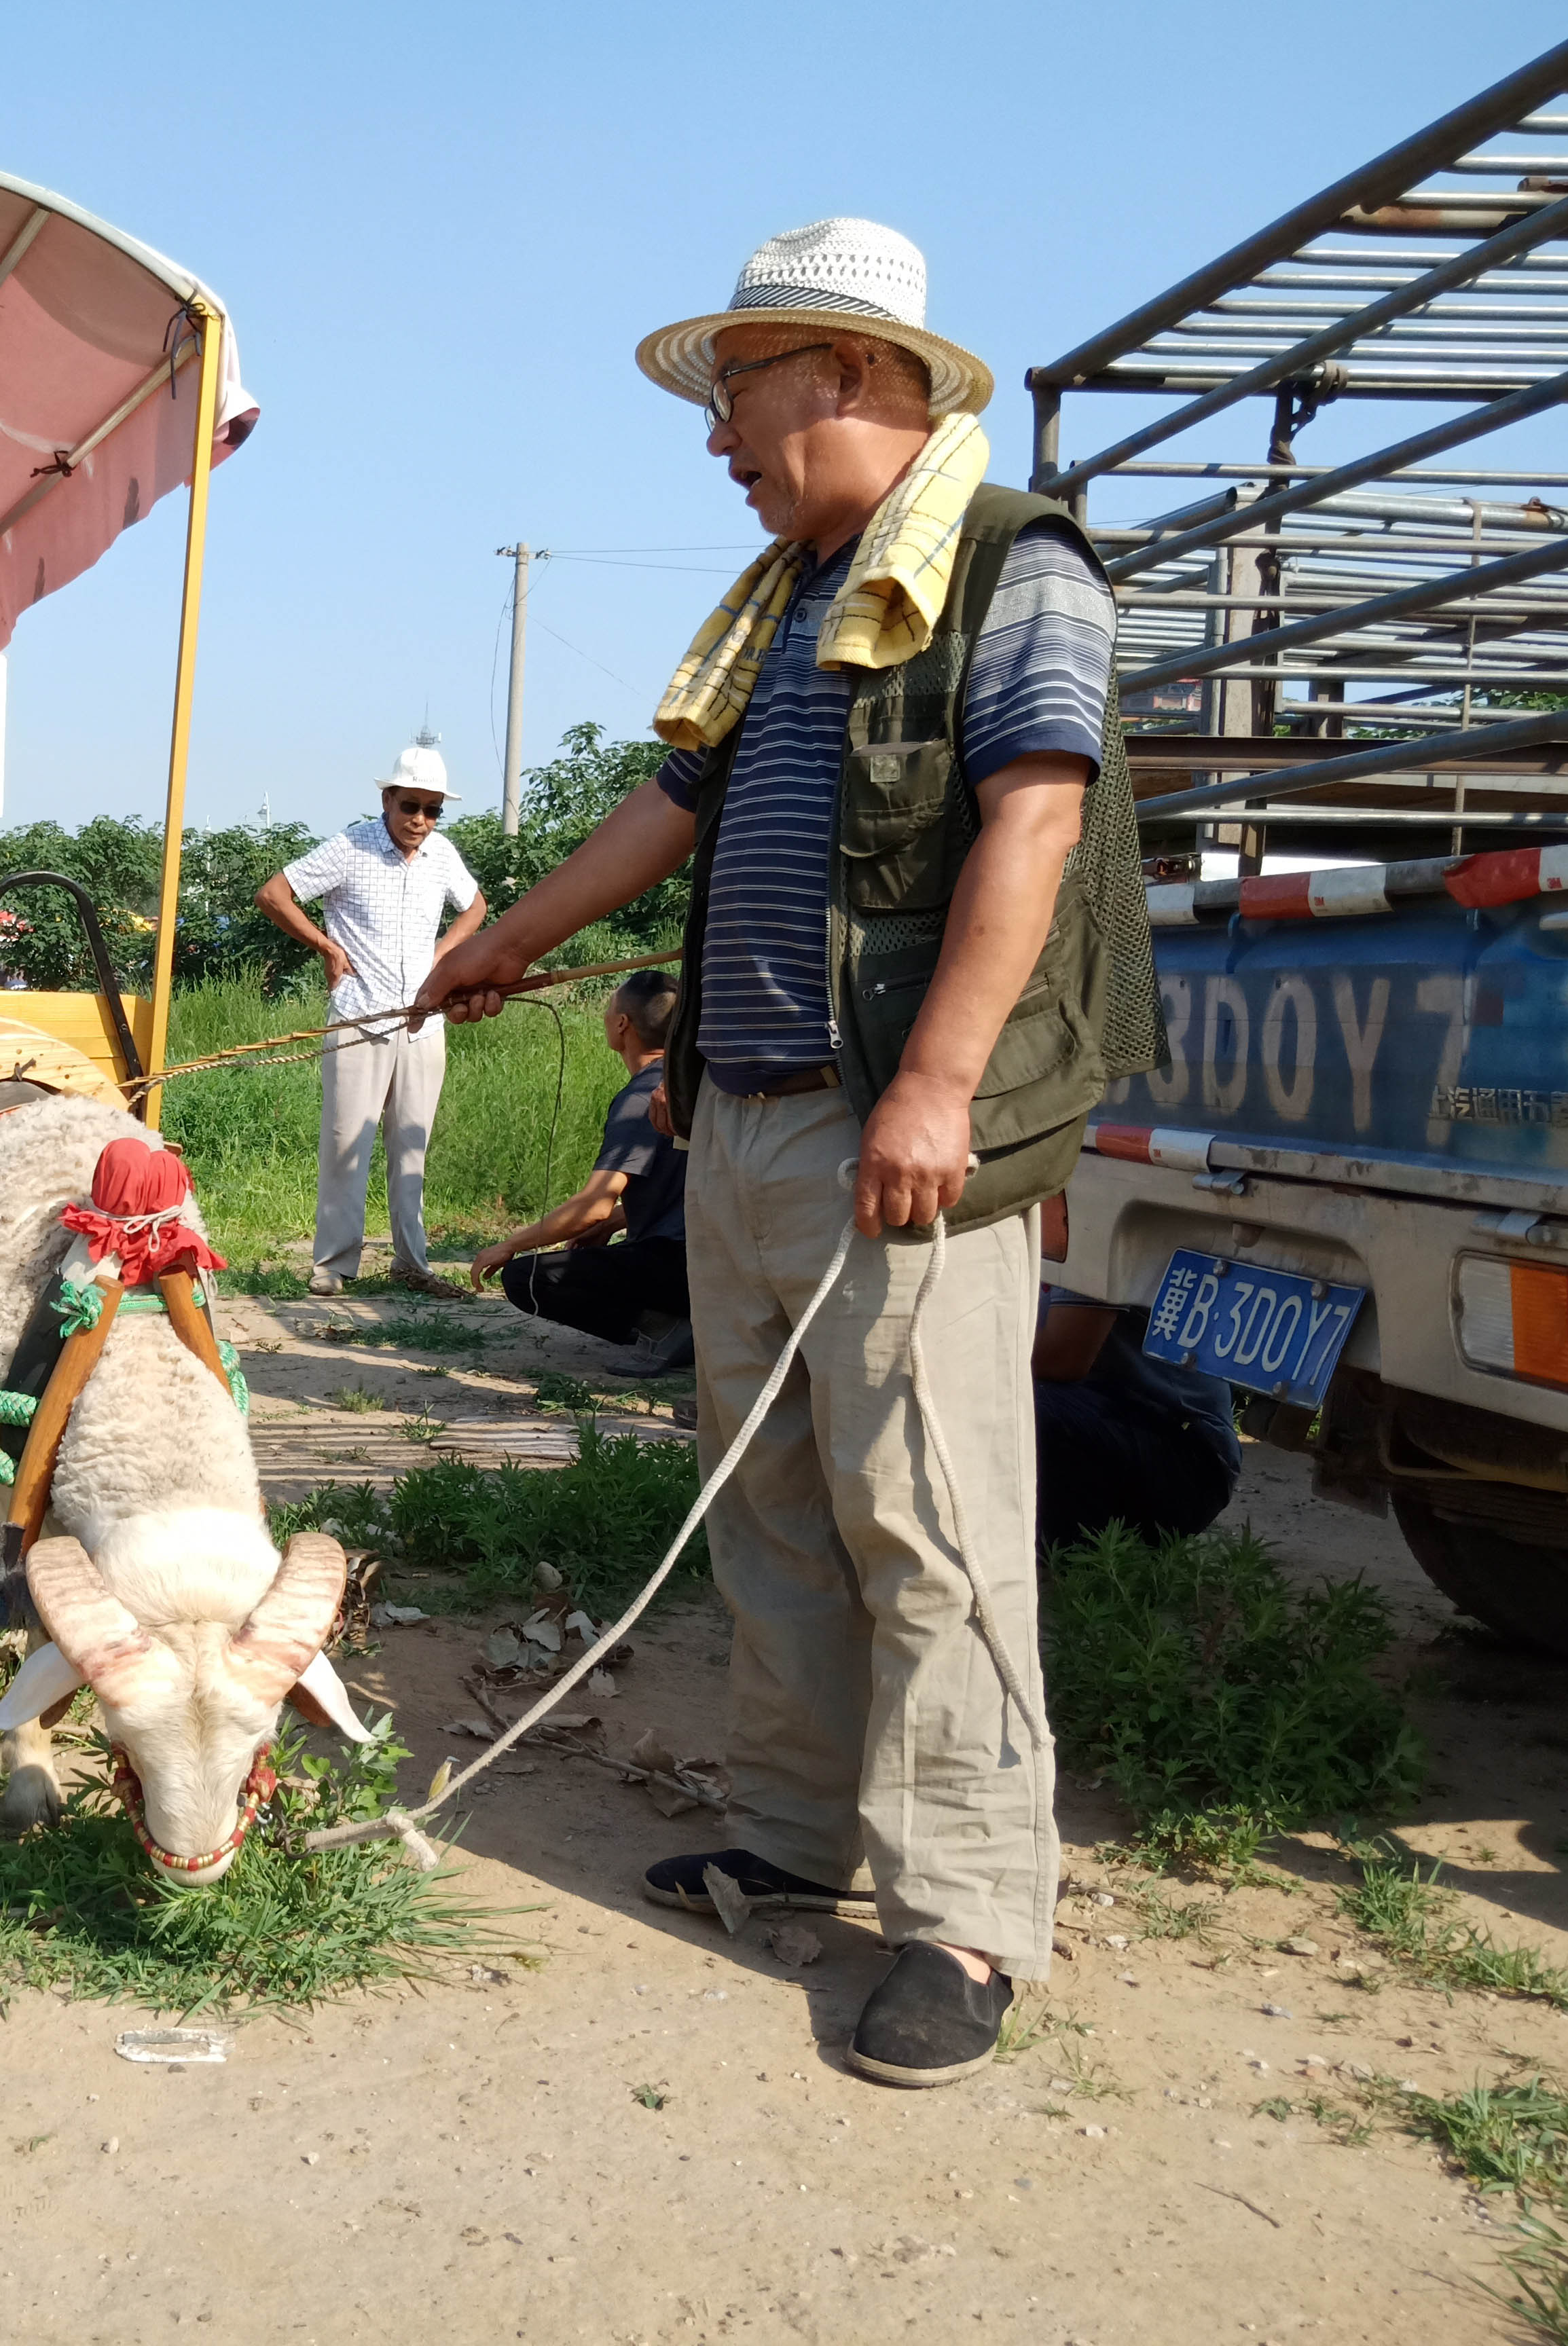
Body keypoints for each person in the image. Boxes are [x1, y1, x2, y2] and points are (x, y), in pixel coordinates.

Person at [414, 219, 1155, 2087]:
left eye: (736, 391)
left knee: (930, 1516)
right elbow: (667, 813)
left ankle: (969, 1918)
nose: (718, 437)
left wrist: (936, 1090)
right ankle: (798, 1835)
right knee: (776, 1500)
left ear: (844, 374)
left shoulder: (1011, 565)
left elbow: (1034, 826)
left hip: (884, 1127)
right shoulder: (787, 602)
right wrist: (501, 939)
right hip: (738, 1116)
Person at [256, 732, 486, 1298]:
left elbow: (476, 906)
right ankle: (333, 1264)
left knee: (412, 1142)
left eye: (432, 810)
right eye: (410, 806)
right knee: (345, 1143)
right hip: (359, 1018)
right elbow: (274, 895)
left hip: (423, 1021)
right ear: (387, 800)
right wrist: (328, 948)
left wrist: (445, 953)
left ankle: (412, 1262)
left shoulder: (442, 856)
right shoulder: (349, 847)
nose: (420, 820)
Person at [469, 970, 691, 1375]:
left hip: (681, 1267)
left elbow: (592, 1205)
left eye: (609, 1010)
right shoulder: (692, 1086)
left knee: (526, 1277)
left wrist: (509, 1245)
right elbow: (683, 1190)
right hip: (720, 1265)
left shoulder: (641, 1097)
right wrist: (619, 1220)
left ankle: (666, 1329)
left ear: (622, 1024)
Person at [1031, 1196, 1240, 1555]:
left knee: (999, 1400)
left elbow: (1064, 1359)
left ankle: (1059, 1555)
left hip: (1184, 1456)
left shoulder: (1088, 1206)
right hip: (1110, 1423)